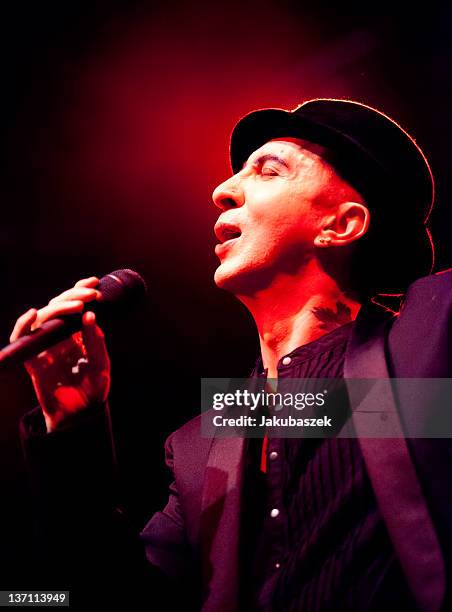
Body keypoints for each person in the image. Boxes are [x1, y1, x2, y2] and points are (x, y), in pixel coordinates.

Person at [13, 99, 452, 611]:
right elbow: (109, 597)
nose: (222, 191)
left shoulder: (432, 340)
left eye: (269, 169)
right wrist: (73, 429)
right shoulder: (202, 444)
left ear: (341, 224)